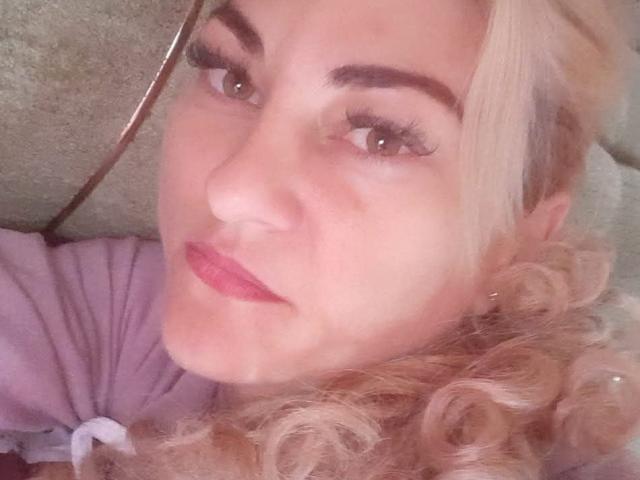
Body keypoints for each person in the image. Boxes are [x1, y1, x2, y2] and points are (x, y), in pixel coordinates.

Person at [1, 0, 640, 479]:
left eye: (380, 135)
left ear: (515, 243)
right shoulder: (133, 311)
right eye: (232, 77)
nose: (231, 190)